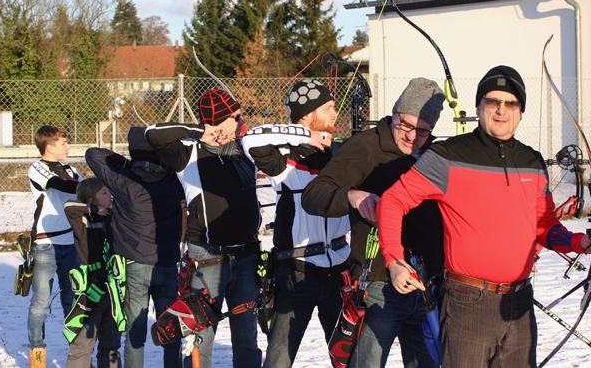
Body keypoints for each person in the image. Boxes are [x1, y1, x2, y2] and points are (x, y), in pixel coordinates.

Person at [376, 66, 591, 367]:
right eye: (492, 101)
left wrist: (580, 241)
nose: (502, 110)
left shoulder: (532, 161)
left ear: (520, 111)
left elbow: (544, 225)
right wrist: (394, 259)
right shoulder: (448, 156)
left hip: (519, 302)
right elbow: (393, 200)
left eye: (511, 103)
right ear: (478, 107)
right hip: (468, 302)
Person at [302, 78, 445, 368]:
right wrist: (352, 196)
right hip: (379, 284)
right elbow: (313, 194)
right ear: (394, 114)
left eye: (422, 130)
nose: (411, 136)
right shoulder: (365, 147)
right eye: (405, 124)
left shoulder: (436, 155)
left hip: (427, 284)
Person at [145, 89, 262, 368]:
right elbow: (152, 133)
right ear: (221, 121)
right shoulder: (188, 154)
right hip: (206, 257)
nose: (241, 120)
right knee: (200, 336)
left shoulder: (244, 152)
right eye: (236, 116)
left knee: (246, 336)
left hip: (246, 256)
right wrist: (201, 130)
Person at [241, 79, 351, 367]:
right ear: (307, 115)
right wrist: (304, 134)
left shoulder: (339, 155)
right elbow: (249, 139)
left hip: (339, 271)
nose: (334, 115)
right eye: (328, 109)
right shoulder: (284, 159)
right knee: (279, 359)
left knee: (347, 358)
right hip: (296, 273)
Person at [85, 127, 185, 368]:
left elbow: (93, 154)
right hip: (167, 262)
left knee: (134, 334)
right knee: (171, 332)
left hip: (134, 264)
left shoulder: (123, 179)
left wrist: (128, 162)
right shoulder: (174, 178)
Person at [27, 125, 82, 368]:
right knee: (40, 303)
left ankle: (78, 357)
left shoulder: (71, 169)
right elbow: (62, 186)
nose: (68, 147)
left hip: (71, 245)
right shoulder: (38, 168)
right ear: (49, 147)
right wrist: (87, 186)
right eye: (63, 143)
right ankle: (37, 359)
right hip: (46, 245)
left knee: (73, 302)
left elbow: (83, 192)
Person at [64, 178, 121, 368]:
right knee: (82, 345)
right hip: (90, 289)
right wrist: (94, 210)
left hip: (111, 287)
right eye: (104, 193)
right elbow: (69, 206)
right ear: (91, 199)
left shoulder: (113, 216)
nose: (109, 195)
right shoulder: (83, 219)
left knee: (111, 343)